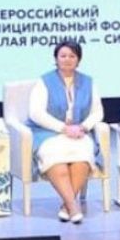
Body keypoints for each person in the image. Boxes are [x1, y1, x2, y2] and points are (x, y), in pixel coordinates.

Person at [27, 40, 103, 224]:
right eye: (63, 56)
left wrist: (83, 127)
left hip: (78, 132)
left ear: (78, 59)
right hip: (48, 133)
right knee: (56, 159)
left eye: (72, 56)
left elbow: (98, 112)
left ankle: (65, 206)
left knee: (82, 157)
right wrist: (63, 128)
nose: (67, 59)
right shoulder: (44, 81)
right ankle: (73, 207)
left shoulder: (88, 82)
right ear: (56, 59)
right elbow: (35, 113)